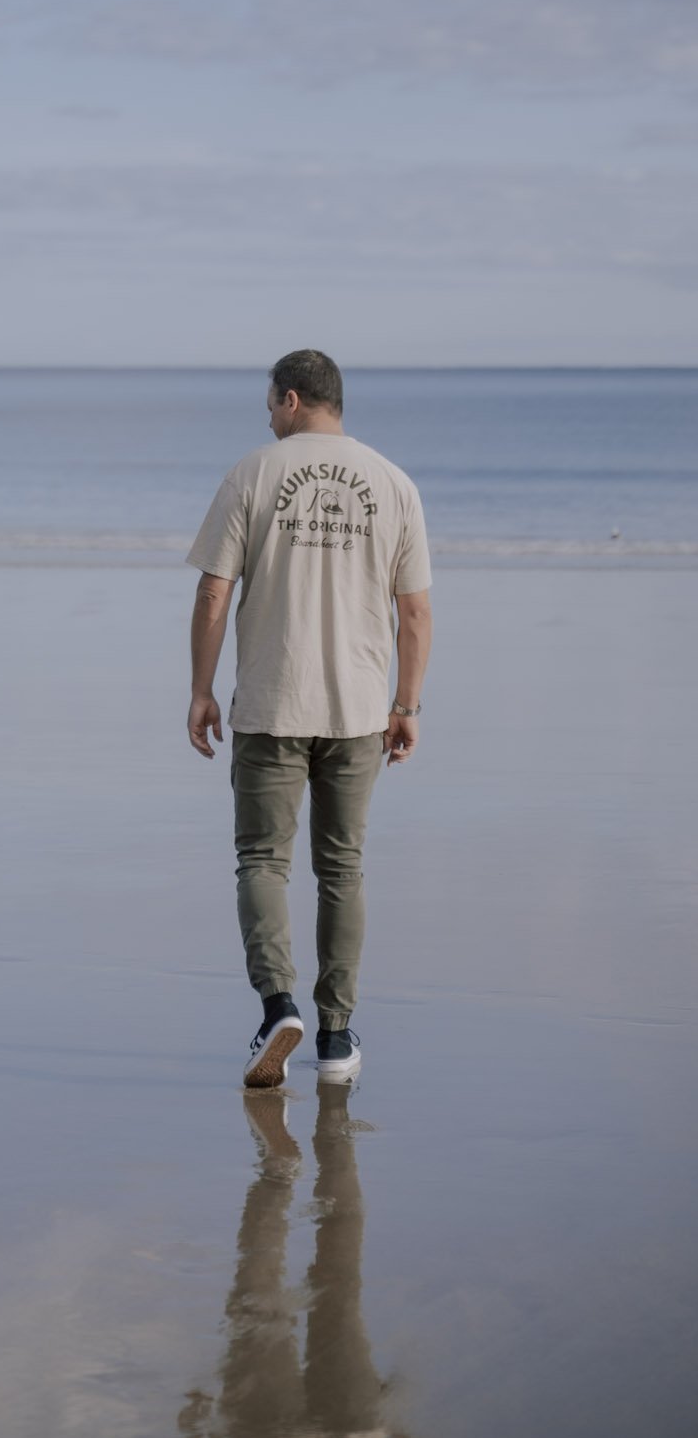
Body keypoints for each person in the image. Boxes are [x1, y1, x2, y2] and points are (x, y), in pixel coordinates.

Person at [186, 351, 432, 1087]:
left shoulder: (251, 473)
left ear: (292, 399)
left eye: (269, 403)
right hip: (358, 710)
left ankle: (276, 1005)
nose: (266, 416)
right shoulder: (394, 484)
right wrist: (406, 704)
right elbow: (414, 611)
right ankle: (333, 1036)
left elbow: (211, 595)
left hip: (270, 703)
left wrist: (200, 689)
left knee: (262, 859)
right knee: (341, 867)